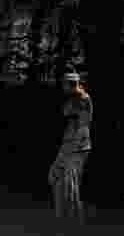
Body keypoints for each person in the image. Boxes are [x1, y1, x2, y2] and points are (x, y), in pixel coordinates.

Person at [48, 70, 93, 224]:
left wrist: (71, 149)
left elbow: (83, 126)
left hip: (77, 148)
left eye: (64, 84)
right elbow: (65, 112)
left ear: (71, 84)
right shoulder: (73, 99)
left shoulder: (84, 99)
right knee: (55, 177)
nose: (62, 87)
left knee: (71, 186)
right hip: (68, 145)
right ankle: (61, 218)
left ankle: (74, 222)